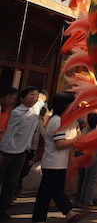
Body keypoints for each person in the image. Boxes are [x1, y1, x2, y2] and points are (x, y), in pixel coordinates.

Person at [31, 91, 84, 223]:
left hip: (56, 163)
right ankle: (68, 213)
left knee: (49, 192)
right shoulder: (57, 121)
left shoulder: (60, 120)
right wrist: (77, 138)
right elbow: (60, 144)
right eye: (72, 104)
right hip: (53, 163)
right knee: (54, 191)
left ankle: (43, 217)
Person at [0, 86, 41, 222]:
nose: (34, 98)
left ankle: (3, 209)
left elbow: (41, 100)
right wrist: (2, 151)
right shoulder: (17, 112)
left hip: (22, 152)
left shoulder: (35, 111)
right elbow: (9, 133)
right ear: (22, 98)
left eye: (36, 95)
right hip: (8, 152)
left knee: (12, 182)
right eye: (31, 95)